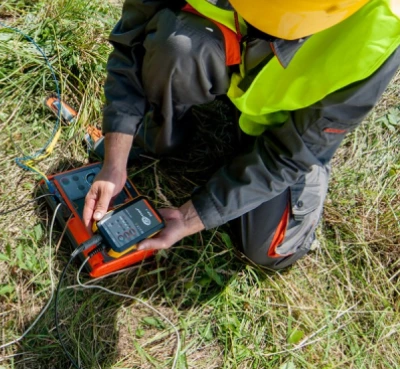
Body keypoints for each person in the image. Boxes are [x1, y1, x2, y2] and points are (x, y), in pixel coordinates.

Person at [82, 0, 400, 270]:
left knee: (266, 249)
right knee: (174, 47)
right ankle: (158, 132)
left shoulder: (381, 26)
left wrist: (190, 217)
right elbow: (132, 40)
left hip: (287, 128)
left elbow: (292, 152)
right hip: (225, 54)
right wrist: (115, 158)